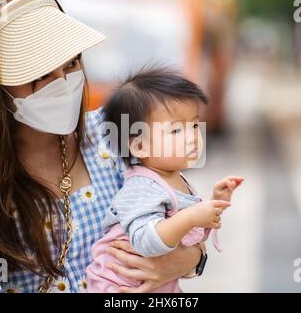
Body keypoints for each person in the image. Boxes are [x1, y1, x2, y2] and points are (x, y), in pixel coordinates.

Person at [0, 0, 208, 293]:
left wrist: (190, 259)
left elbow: (184, 214)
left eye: (72, 63)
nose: (63, 81)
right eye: (42, 74)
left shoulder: (111, 134)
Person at [86, 68, 244, 292]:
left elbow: (189, 236)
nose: (192, 138)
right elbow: (146, 241)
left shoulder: (172, 179)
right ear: (140, 145)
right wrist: (191, 217)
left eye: (195, 125)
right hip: (118, 287)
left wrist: (214, 202)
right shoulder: (141, 187)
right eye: (176, 130)